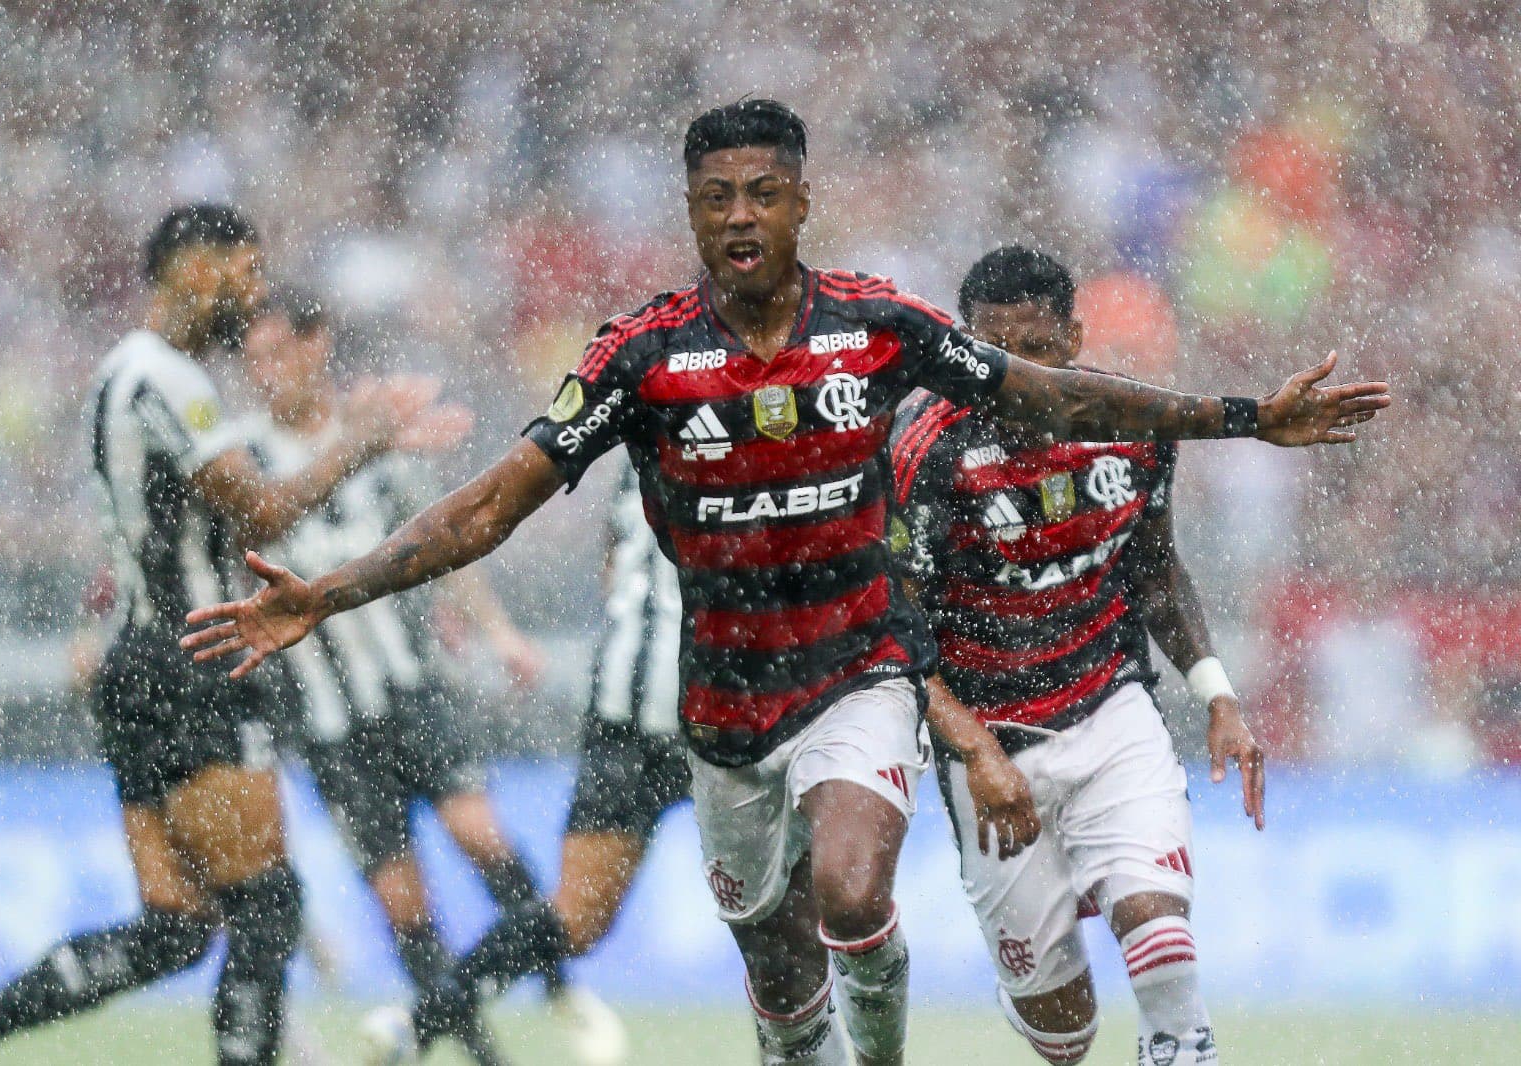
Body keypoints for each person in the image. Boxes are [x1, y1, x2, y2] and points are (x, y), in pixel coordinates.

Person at [179, 101, 1387, 1066]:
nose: (741, 215)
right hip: (722, 708)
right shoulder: (639, 356)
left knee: (853, 889)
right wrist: (327, 592)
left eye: (764, 192)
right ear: (692, 214)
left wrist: (1242, 419)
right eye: (717, 198)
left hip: (856, 671)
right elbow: (492, 503)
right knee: (778, 978)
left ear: (802, 201)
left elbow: (1052, 392)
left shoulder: (874, 325)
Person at [0, 205, 442, 1066]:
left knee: (175, 927)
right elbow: (263, 512)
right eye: (245, 271)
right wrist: (361, 440)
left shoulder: (125, 375)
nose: (257, 291)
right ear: (193, 269)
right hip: (190, 663)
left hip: (139, 663)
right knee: (268, 904)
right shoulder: (166, 377)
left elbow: (152, 530)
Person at [889, 246, 1266, 1065]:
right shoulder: (927, 451)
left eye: (1039, 350)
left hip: (1110, 713)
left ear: (1075, 338)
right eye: (996, 353)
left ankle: (1179, 1039)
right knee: (1063, 1033)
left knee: (1160, 933)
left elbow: (1157, 572)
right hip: (987, 746)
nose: (1018, 376)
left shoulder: (1130, 426)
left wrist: (1218, 697)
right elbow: (897, 635)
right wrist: (978, 750)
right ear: (966, 347)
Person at [234, 292, 624, 1065]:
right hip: (328, 723)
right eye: (255, 360)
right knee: (403, 906)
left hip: (414, 691)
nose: (266, 374)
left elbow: (440, 546)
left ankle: (559, 987)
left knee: (480, 837)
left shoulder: (381, 444)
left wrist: (498, 634)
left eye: (279, 353)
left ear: (317, 348)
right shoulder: (244, 460)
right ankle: (478, 1052)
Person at [363, 456, 686, 1066]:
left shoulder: (647, 425)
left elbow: (610, 567)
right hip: (675, 709)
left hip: (659, 705)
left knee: (786, 913)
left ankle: (423, 1021)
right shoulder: (712, 413)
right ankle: (430, 1020)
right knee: (577, 915)